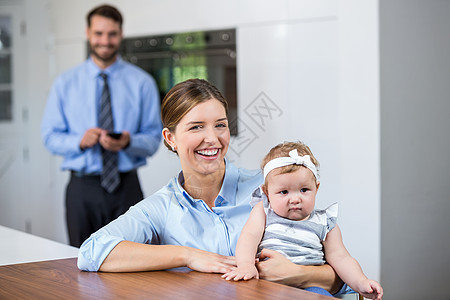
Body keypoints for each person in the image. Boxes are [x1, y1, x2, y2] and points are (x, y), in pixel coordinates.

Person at [77, 79, 352, 296]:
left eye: (220, 125)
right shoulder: (160, 208)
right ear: (170, 138)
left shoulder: (271, 188)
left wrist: (299, 273)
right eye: (196, 127)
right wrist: (188, 255)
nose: (212, 139)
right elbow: (91, 252)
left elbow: (343, 277)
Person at [41, 4, 162, 247]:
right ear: (88, 33)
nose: (105, 41)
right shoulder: (65, 84)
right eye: (98, 33)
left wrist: (129, 142)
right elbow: (50, 137)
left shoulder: (142, 83)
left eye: (112, 34)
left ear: (121, 34)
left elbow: (153, 139)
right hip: (82, 189)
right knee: (80, 258)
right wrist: (79, 141)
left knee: (133, 260)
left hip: (127, 187)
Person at [222, 141, 383, 299]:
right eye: (284, 192)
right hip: (268, 285)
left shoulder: (326, 223)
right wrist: (246, 265)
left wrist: (361, 282)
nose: (295, 199)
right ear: (266, 192)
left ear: (316, 188)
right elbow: (248, 237)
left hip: (309, 289)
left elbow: (341, 258)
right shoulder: (264, 212)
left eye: (304, 190)